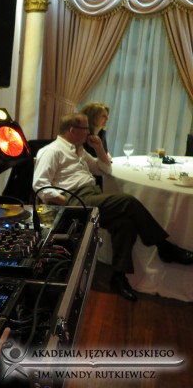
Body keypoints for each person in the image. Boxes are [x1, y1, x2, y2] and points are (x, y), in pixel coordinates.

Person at [33, 113, 193, 302]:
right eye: (86, 129)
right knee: (128, 201)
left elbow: (105, 169)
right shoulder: (52, 151)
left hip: (90, 195)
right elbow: (40, 185)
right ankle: (164, 246)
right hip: (73, 199)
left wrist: (99, 148)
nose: (89, 132)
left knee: (125, 224)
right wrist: (67, 202)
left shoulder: (79, 150)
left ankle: (119, 276)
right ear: (72, 130)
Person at [80, 102, 112, 187]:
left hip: (101, 172)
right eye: (103, 116)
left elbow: (105, 152)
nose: (107, 118)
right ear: (92, 117)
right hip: (87, 177)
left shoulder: (101, 133)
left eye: (107, 116)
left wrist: (107, 154)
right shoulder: (82, 136)